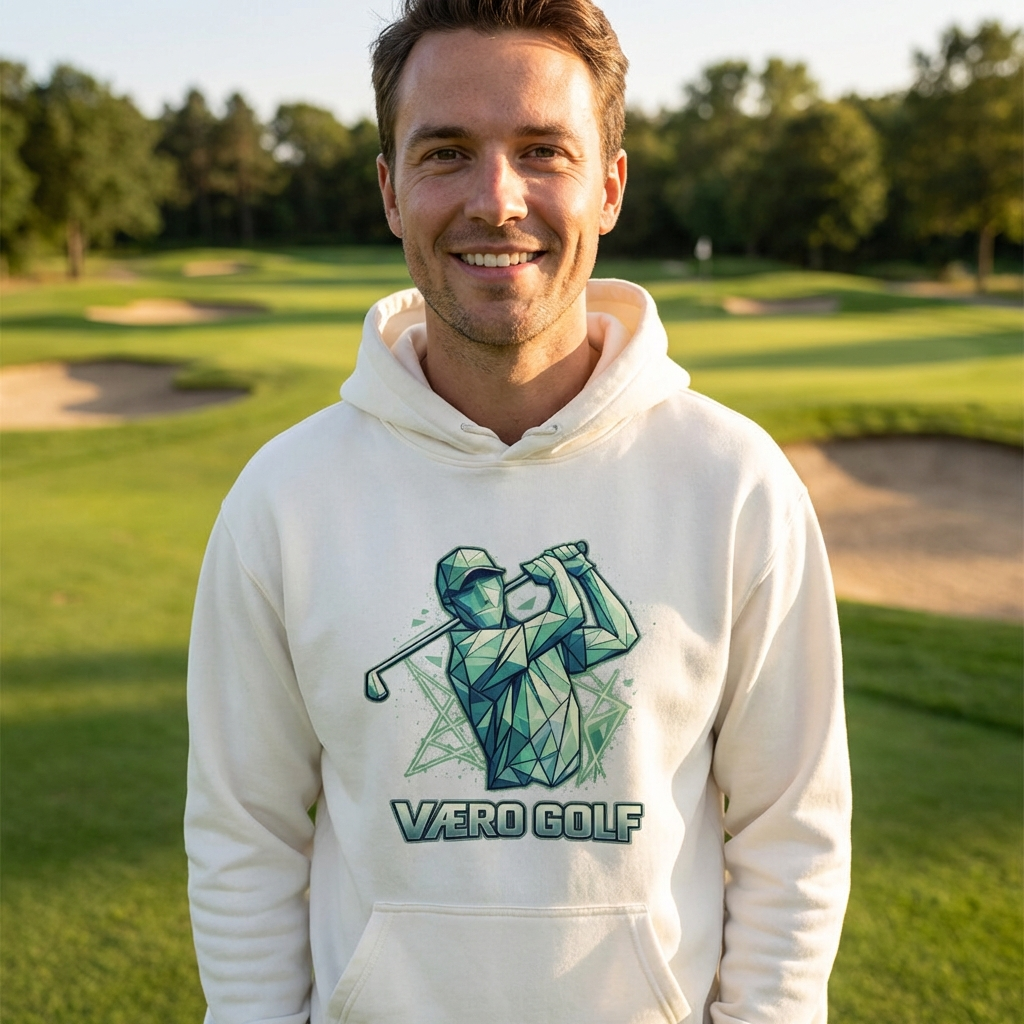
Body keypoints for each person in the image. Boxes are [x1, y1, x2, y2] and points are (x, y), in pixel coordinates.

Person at [184, 1, 852, 1021]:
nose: (496, 200)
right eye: (446, 152)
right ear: (390, 192)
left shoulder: (734, 481)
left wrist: (574, 573)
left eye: (543, 150)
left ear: (610, 185)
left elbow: (791, 827)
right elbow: (244, 836)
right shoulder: (285, 500)